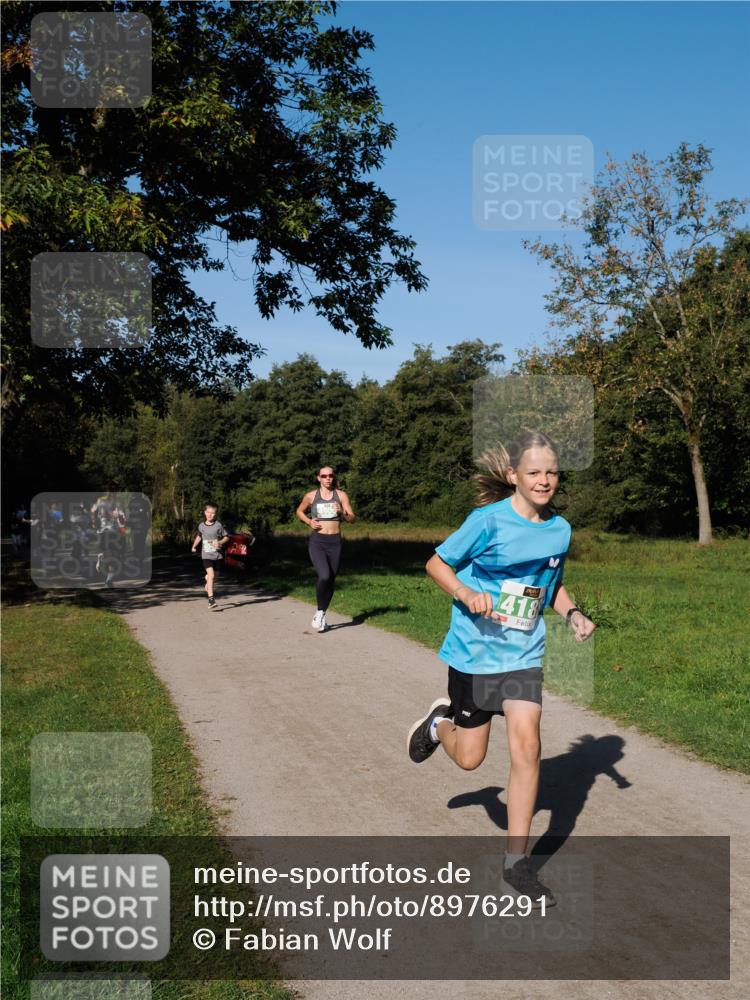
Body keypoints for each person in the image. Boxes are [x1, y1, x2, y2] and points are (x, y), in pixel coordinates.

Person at [407, 432, 595, 906]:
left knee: (528, 746)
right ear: (514, 475)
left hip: (523, 652)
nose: (544, 480)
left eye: (551, 471)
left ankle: (517, 867)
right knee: (470, 759)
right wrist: (466, 593)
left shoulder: (560, 529)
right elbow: (436, 563)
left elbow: (551, 585)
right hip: (475, 653)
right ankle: (438, 723)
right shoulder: (486, 522)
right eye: (534, 472)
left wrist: (572, 614)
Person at [295, 466, 355, 632]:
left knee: (331, 579)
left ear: (333, 477)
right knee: (324, 575)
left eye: (330, 475)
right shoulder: (311, 496)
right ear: (318, 478)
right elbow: (299, 511)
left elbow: (352, 518)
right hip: (318, 541)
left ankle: (321, 613)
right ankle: (320, 613)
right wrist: (309, 522)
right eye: (324, 475)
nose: (328, 478)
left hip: (335, 542)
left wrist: (342, 512)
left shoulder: (341, 495)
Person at [191, 503, 229, 610]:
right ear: (204, 512)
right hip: (206, 555)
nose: (210, 515)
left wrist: (220, 542)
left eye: (213, 513)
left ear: (215, 514)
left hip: (217, 555)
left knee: (214, 577)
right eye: (208, 512)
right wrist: (194, 546)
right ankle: (211, 600)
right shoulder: (201, 526)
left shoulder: (218, 525)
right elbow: (199, 536)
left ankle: (208, 582)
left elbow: (226, 537)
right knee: (211, 575)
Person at [90, 492, 126, 587]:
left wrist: (119, 517)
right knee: (112, 557)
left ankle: (101, 560)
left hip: (111, 533)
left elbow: (123, 520)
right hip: (106, 533)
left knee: (113, 556)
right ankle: (108, 578)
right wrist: (94, 522)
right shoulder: (101, 502)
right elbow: (93, 510)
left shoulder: (117, 505)